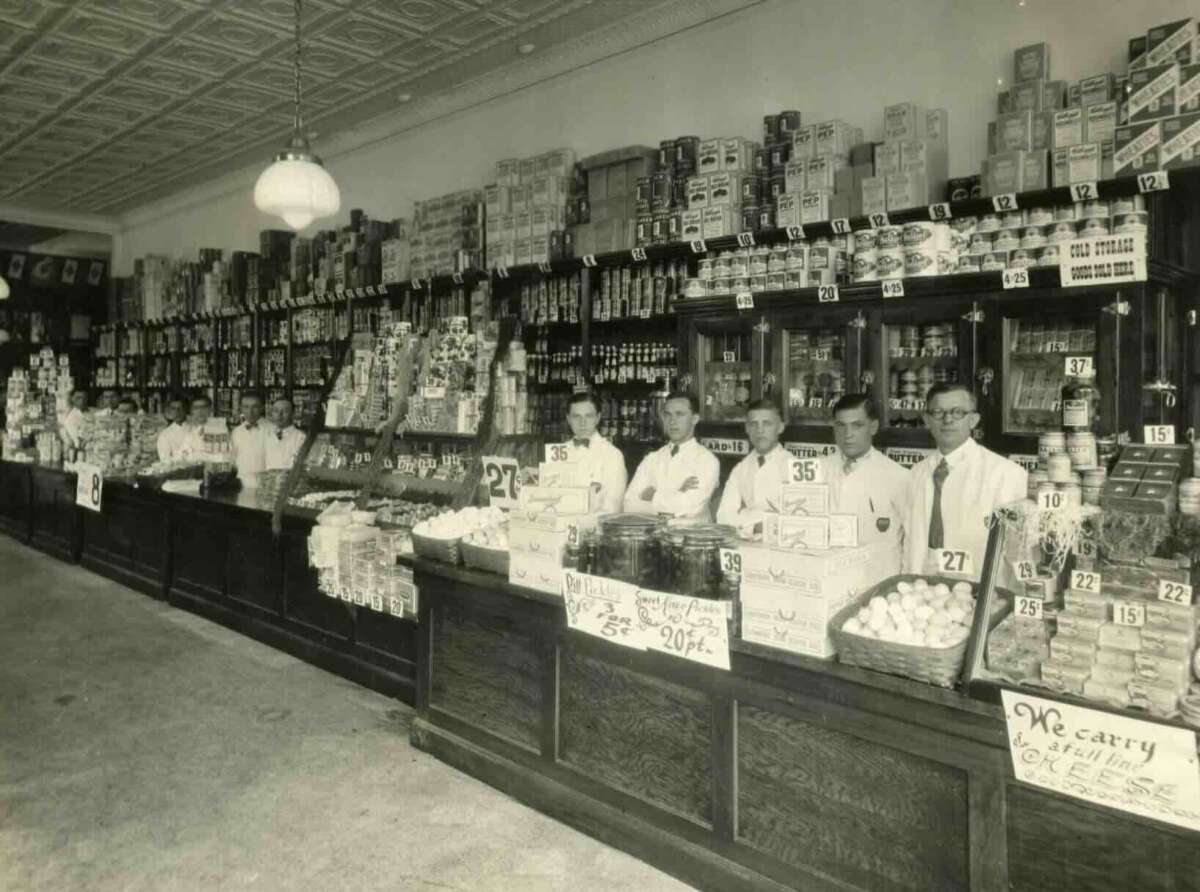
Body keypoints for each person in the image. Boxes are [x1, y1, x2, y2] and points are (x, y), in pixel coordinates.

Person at [902, 383, 1027, 577]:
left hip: (979, 589)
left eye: (958, 412)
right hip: (923, 586)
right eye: (938, 412)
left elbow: (1018, 548)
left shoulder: (1005, 473)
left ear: (973, 420)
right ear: (926, 419)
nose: (947, 419)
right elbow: (910, 539)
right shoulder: (916, 473)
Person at [818, 394, 910, 545]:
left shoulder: (898, 476)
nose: (848, 434)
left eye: (857, 425)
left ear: (873, 427)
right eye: (841, 425)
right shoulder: (818, 469)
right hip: (829, 566)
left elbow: (912, 537)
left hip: (877, 567)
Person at [623, 391, 719, 521]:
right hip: (653, 538)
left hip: (689, 538)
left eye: (680, 414)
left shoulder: (706, 461)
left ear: (695, 419)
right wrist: (678, 493)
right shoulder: (652, 458)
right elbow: (629, 505)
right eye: (667, 415)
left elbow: (690, 507)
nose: (672, 421)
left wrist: (652, 496)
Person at [715, 398, 792, 534]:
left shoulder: (794, 466)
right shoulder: (740, 469)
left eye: (767, 423)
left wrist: (744, 516)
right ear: (747, 428)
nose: (759, 430)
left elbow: (796, 520)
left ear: (780, 427)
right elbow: (723, 517)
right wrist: (756, 527)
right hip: (745, 545)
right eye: (753, 424)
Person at [560, 391, 626, 515]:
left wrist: (581, 522)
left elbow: (613, 508)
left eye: (588, 416)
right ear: (568, 419)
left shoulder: (613, 455)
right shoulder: (558, 452)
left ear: (598, 418)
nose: (582, 422)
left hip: (595, 530)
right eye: (576, 416)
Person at [231, 393, 268, 486]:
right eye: (246, 407)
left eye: (255, 407)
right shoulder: (236, 431)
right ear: (241, 409)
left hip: (264, 485)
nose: (250, 411)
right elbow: (232, 460)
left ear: (262, 408)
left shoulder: (273, 430)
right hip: (240, 484)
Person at [264, 397, 305, 471]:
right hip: (266, 479)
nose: (280, 414)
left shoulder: (301, 437)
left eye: (285, 411)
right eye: (276, 411)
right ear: (272, 413)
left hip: (289, 480)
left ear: (293, 413)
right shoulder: (265, 434)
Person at [156, 396, 189, 462]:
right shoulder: (165, 435)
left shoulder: (194, 428)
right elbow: (165, 460)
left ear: (186, 410)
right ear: (169, 411)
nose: (177, 412)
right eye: (173, 408)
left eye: (180, 408)